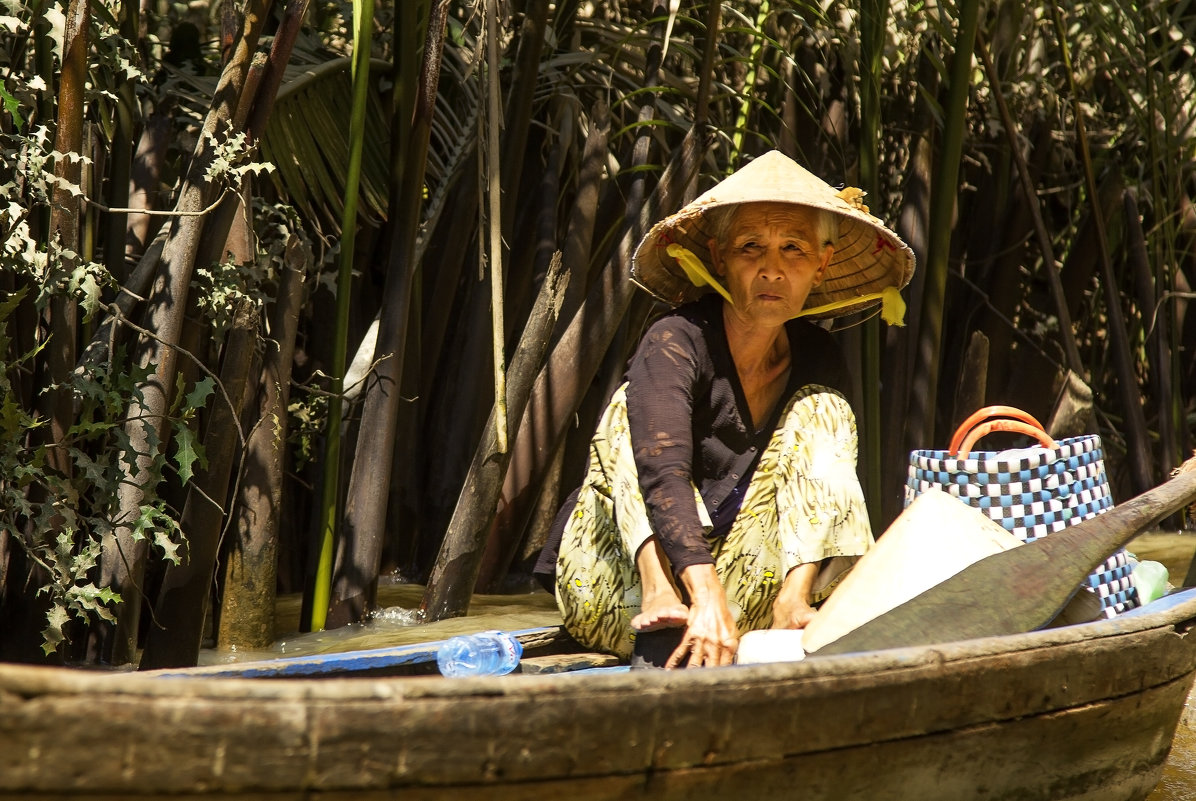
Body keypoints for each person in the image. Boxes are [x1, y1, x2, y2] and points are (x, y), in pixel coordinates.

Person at [534, 150, 915, 668]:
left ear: (821, 264)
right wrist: (699, 590)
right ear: (719, 258)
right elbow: (660, 470)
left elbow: (823, 490)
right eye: (751, 247)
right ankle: (660, 593)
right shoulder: (675, 340)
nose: (772, 269)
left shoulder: (819, 358)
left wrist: (763, 595)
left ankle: (794, 603)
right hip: (619, 592)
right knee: (628, 412)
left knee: (825, 410)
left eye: (794, 249)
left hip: (740, 605)